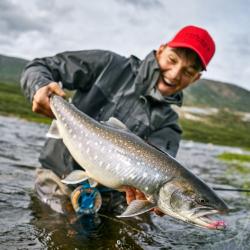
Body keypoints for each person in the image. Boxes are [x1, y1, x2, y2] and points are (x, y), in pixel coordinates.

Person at [21, 25, 215, 216]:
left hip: (113, 201)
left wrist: (154, 201)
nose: (174, 74)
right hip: (56, 179)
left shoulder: (169, 127)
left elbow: (159, 180)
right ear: (161, 50)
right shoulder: (109, 64)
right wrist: (39, 86)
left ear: (195, 79)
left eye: (188, 72)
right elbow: (40, 66)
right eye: (172, 60)